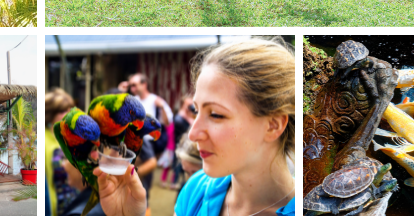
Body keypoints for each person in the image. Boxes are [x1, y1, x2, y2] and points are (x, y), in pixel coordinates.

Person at [92, 39, 295, 216]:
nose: (193, 134)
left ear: (273, 125)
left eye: (216, 114)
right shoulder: (196, 188)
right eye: (195, 111)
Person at [46, 88, 79, 216]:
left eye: (69, 110)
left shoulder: (71, 135)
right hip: (57, 207)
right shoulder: (45, 140)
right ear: (50, 113)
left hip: (75, 204)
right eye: (62, 111)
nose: (67, 114)